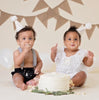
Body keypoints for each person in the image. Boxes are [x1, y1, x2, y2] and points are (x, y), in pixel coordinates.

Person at [11, 26, 43, 90]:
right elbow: (17, 63)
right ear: (18, 42)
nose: (27, 41)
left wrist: (38, 68)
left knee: (43, 76)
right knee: (17, 77)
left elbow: (40, 61)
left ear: (34, 41)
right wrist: (24, 52)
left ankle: (33, 81)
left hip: (32, 71)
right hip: (20, 72)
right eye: (24, 39)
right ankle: (21, 84)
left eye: (30, 38)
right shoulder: (17, 52)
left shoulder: (34, 52)